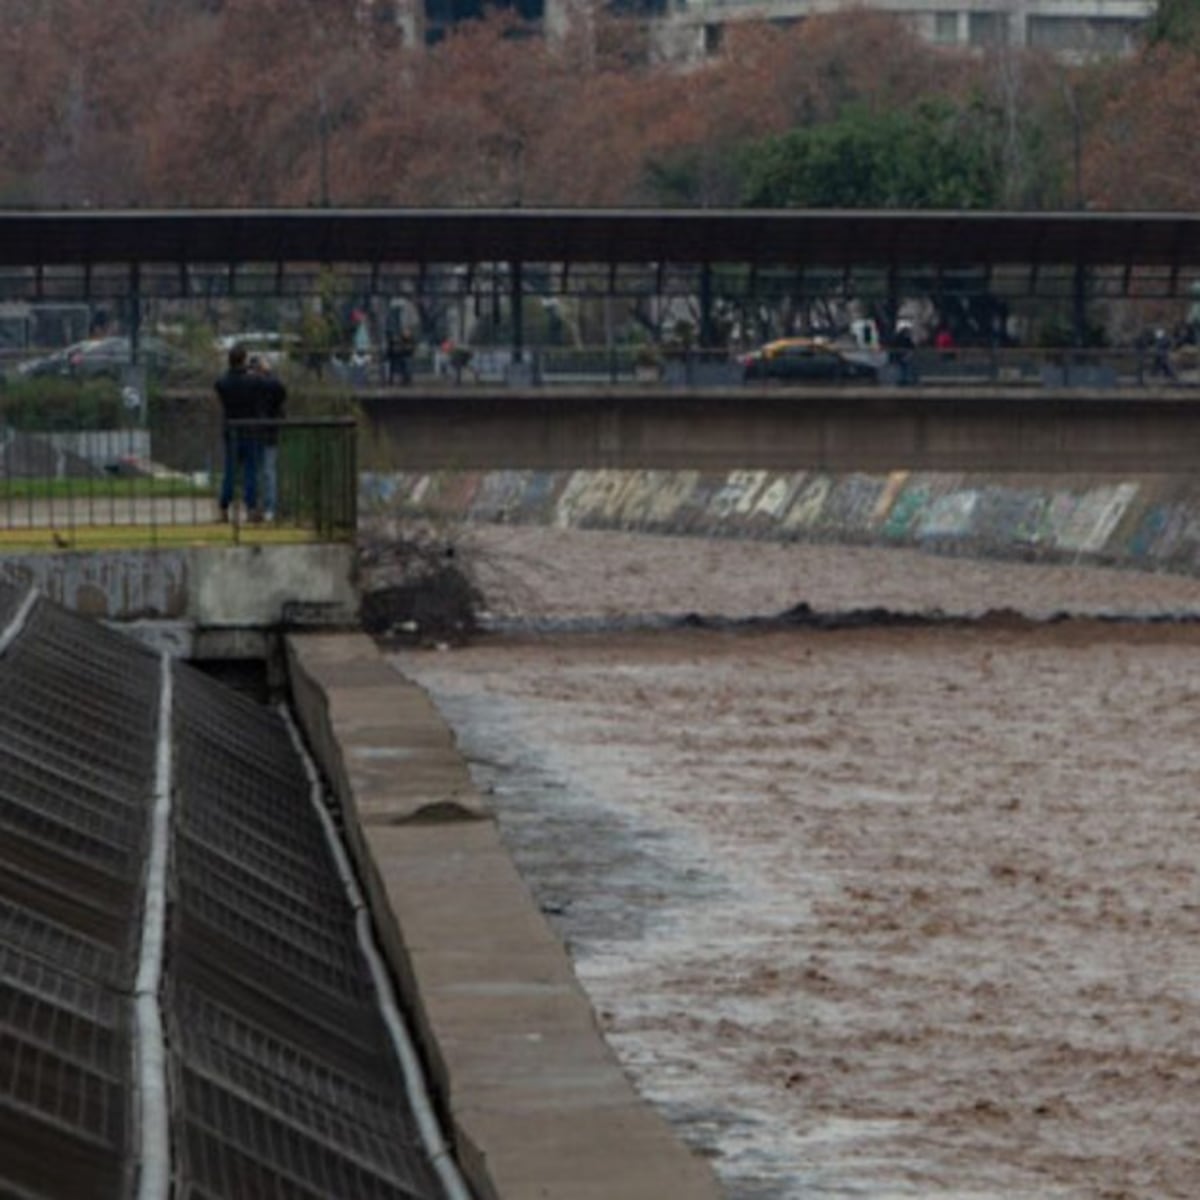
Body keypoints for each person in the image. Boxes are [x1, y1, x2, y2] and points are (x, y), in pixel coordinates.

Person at [214, 343, 267, 523]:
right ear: (244, 360)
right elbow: (271, 387)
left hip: (231, 430)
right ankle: (251, 507)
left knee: (230, 472)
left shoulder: (222, 383)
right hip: (251, 430)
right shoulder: (254, 381)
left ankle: (223, 507)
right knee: (250, 472)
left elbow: (221, 384)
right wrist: (260, 371)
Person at [250, 355, 287, 522]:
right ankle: (266, 507)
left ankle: (262, 506)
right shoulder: (270, 385)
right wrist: (267, 372)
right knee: (266, 471)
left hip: (258, 431)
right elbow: (281, 389)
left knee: (262, 471)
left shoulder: (261, 385)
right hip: (267, 431)